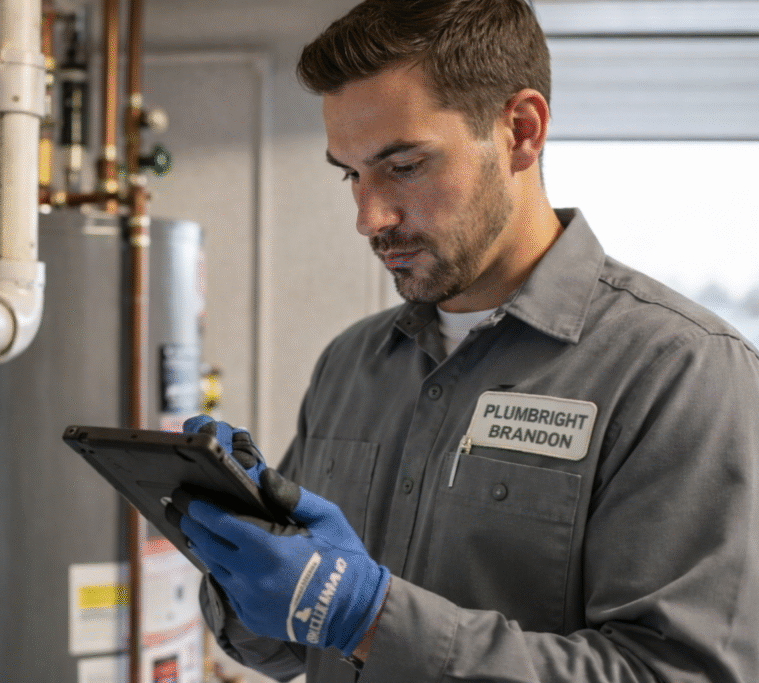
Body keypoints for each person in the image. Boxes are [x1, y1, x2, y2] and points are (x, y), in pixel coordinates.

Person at [169, 0, 759, 681]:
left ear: (521, 130)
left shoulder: (681, 372)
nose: (369, 216)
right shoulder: (351, 364)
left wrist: (367, 615)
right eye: (351, 173)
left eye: (405, 165)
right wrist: (243, 571)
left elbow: (677, 673)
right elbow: (286, 647)